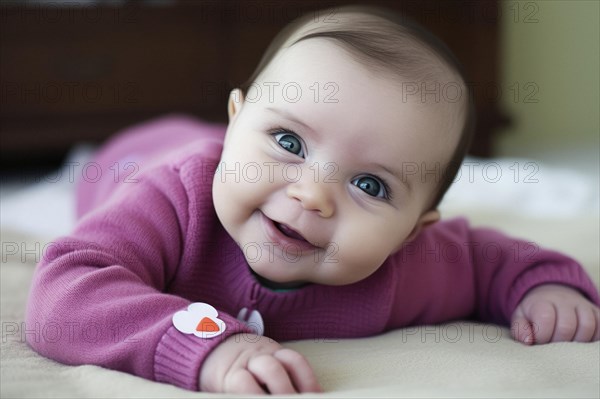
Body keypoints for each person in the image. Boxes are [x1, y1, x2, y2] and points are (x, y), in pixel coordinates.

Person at [26, 4, 599, 394]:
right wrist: (210, 349)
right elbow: (64, 297)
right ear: (237, 121)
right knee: (111, 168)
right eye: (288, 141)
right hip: (137, 158)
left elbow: (484, 258)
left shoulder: (403, 273)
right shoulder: (176, 201)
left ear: (410, 234)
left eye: (370, 185)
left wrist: (546, 285)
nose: (313, 193)